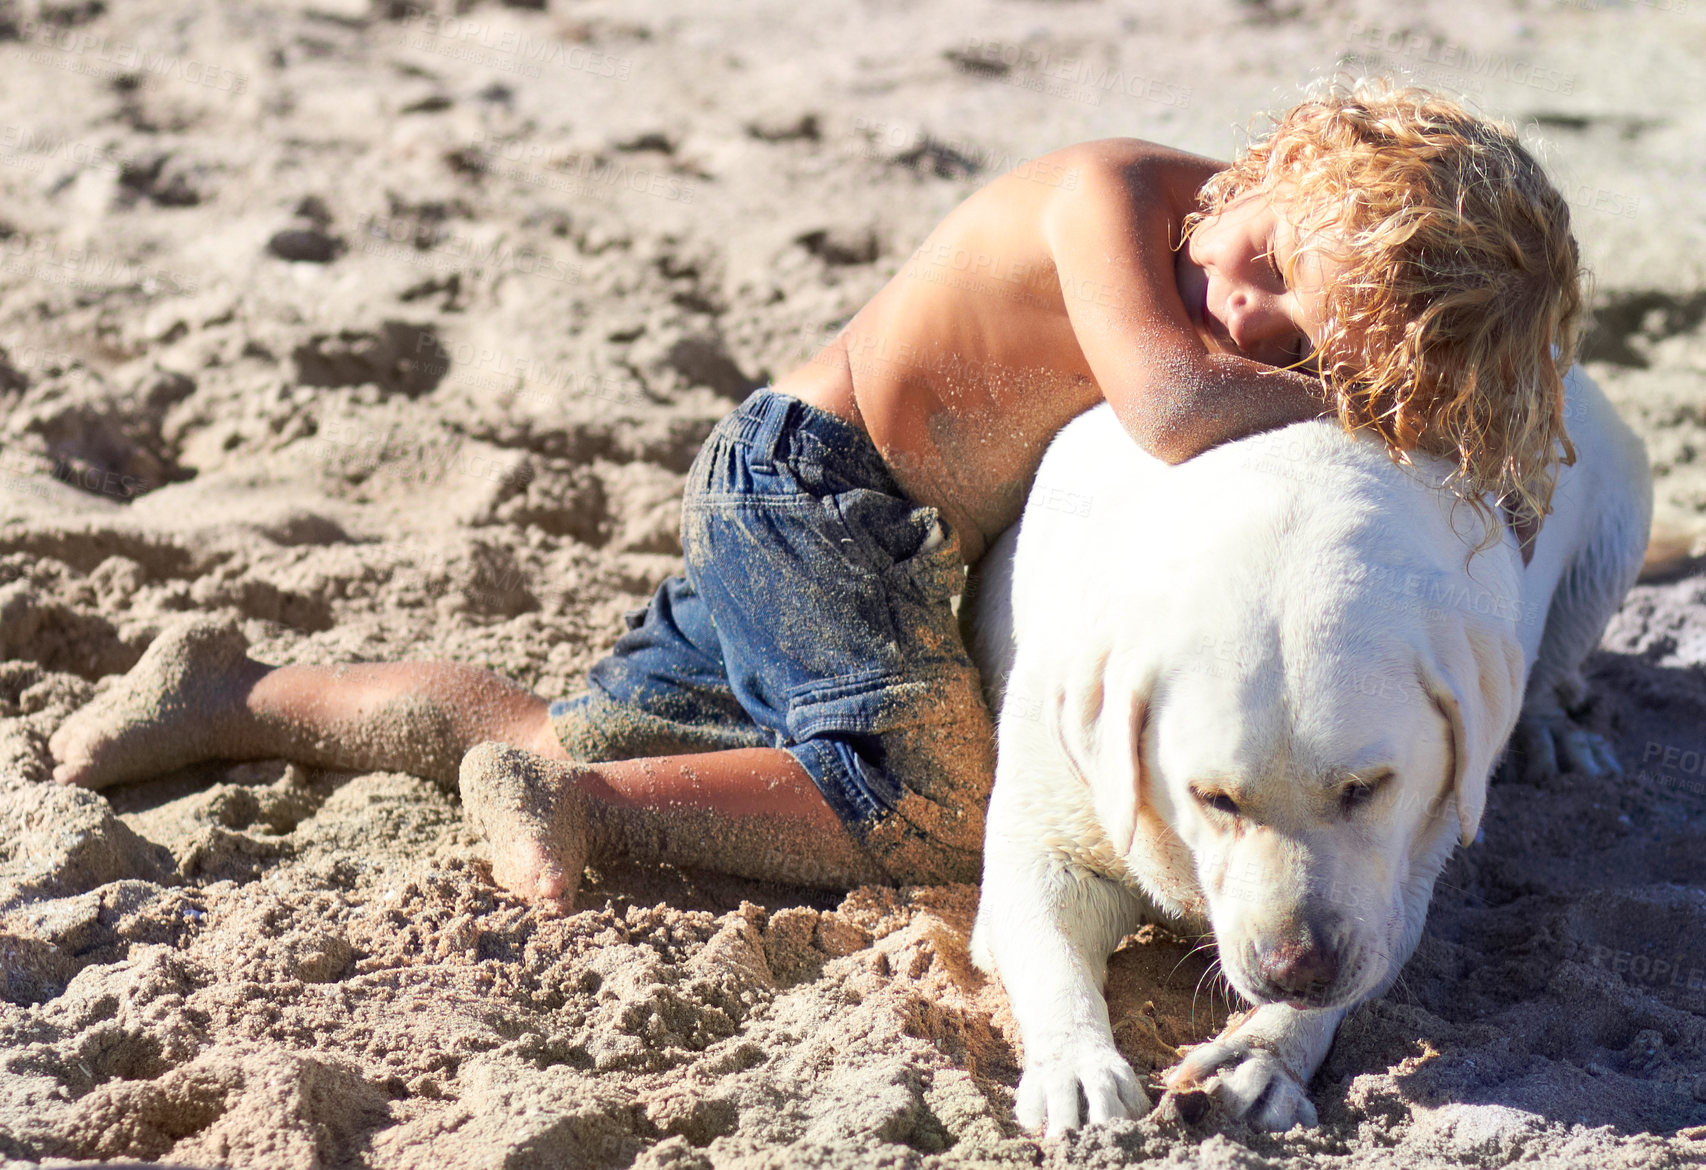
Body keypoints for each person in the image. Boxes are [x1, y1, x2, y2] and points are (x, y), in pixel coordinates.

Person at [48, 80, 1583, 913]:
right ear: (1269, 166)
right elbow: (1176, 409)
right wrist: (1375, 413)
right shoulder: (1109, 194)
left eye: (1302, 341)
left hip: (835, 511)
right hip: (829, 505)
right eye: (1262, 274)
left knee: (574, 721)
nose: (1241, 319)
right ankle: (587, 811)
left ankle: (241, 691)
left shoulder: (1224, 243)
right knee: (934, 803)